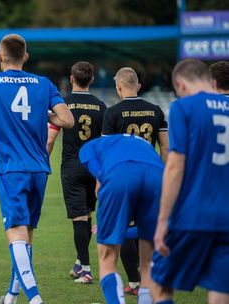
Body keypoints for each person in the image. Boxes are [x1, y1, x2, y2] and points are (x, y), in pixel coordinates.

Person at [0, 34, 74, 304]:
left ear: (0, 56)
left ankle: (35, 297)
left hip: (11, 169)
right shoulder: (43, 83)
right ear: (26, 56)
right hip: (39, 168)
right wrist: (46, 115)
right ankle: (11, 296)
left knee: (15, 232)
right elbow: (67, 120)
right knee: (26, 234)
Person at [151, 59, 229, 304]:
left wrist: (163, 220)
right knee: (220, 290)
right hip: (226, 219)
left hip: (192, 216)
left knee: (159, 282)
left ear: (181, 84)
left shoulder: (184, 107)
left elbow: (175, 166)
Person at [102, 67, 169, 295]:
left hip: (123, 177)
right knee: (146, 228)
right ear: (138, 86)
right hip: (150, 177)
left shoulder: (112, 113)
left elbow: (107, 153)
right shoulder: (156, 110)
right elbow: (166, 148)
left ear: (118, 87)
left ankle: (134, 281)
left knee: (123, 227)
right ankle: (148, 281)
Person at [79, 134, 163, 304]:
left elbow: (86, 156)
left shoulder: (94, 145)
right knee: (148, 262)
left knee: (107, 258)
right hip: (157, 176)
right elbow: (149, 229)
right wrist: (125, 231)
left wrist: (103, 177)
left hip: (119, 175)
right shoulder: (144, 145)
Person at [46, 61, 106, 284]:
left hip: (72, 166)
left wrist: (44, 162)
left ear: (71, 79)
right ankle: (80, 262)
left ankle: (86, 270)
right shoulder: (101, 106)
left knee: (79, 219)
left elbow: (51, 139)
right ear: (91, 79)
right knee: (88, 215)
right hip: (94, 168)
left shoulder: (64, 104)